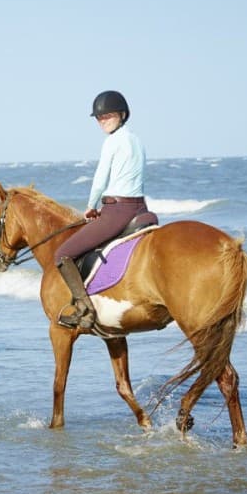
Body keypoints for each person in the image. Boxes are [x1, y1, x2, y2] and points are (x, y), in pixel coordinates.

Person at [53, 90, 149, 330]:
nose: (103, 120)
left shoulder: (112, 141)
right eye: (99, 117)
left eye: (108, 116)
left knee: (62, 254)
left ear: (122, 114)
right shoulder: (137, 140)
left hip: (118, 210)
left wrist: (91, 206)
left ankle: (84, 310)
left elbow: (100, 178)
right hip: (140, 208)